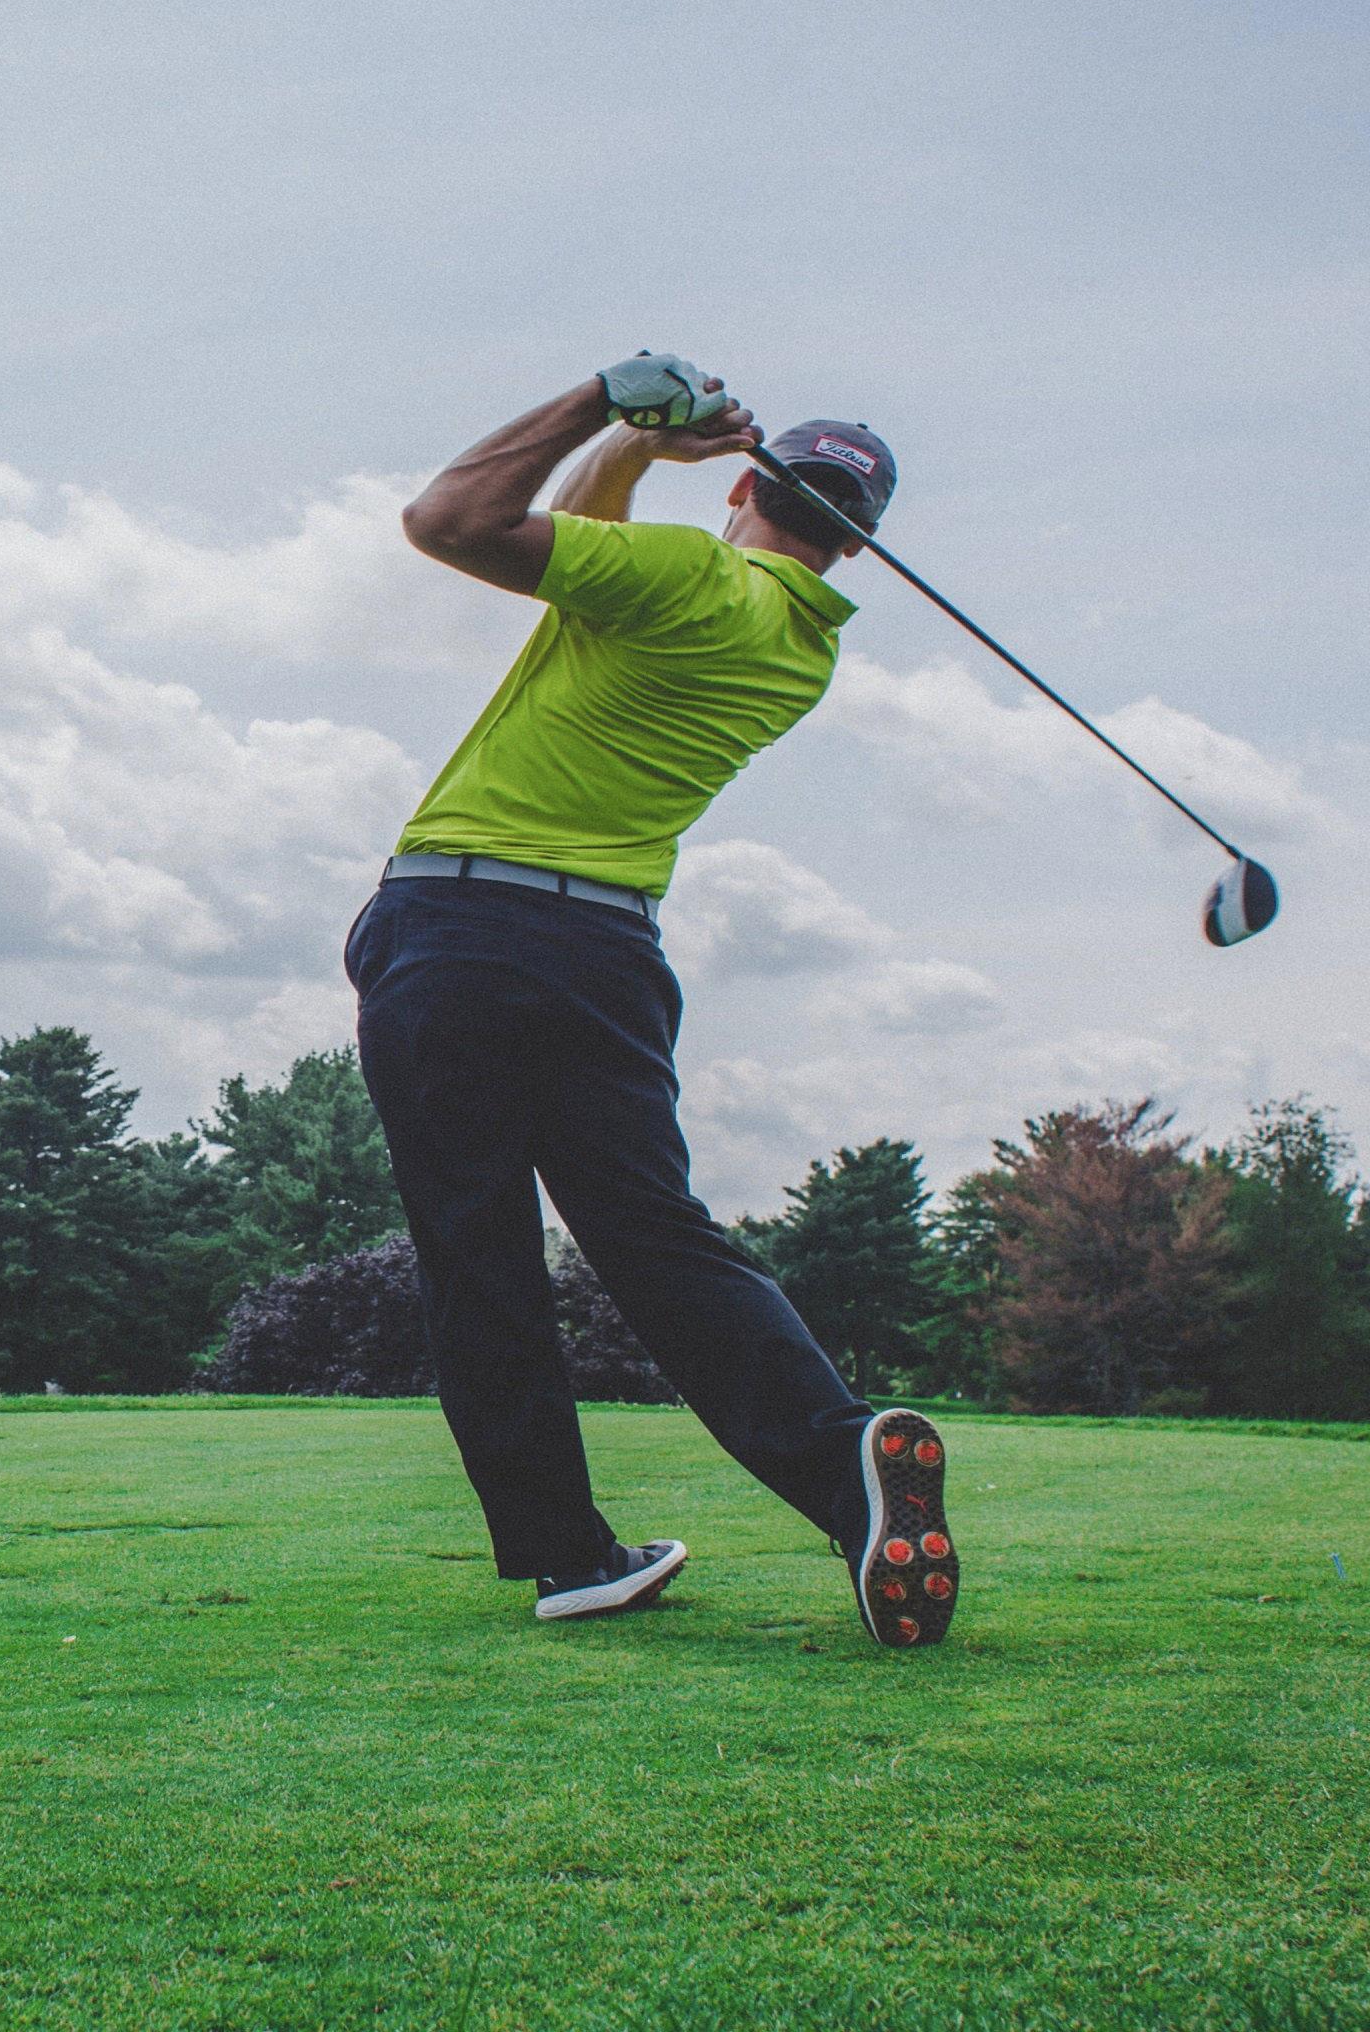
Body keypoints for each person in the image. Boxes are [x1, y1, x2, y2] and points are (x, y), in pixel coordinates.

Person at [353, 351, 956, 1646]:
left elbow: (448, 521)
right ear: (854, 550)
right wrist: (631, 450)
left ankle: (569, 1553)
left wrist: (596, 399)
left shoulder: (689, 577)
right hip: (609, 955)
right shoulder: (795, 646)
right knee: (659, 1242)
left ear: (747, 481)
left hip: (462, 930)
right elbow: (582, 541)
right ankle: (848, 1471)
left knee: (480, 1251)